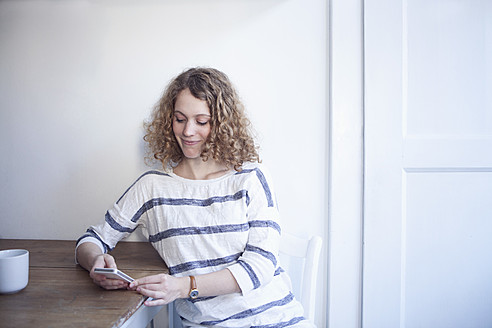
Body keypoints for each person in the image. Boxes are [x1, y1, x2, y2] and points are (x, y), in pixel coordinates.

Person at [75, 67, 315, 327]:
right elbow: (91, 240)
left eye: (202, 121)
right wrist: (95, 263)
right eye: (180, 119)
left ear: (223, 124)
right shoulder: (152, 188)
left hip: (281, 320)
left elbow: (261, 265)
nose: (188, 131)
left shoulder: (250, 177)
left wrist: (184, 287)